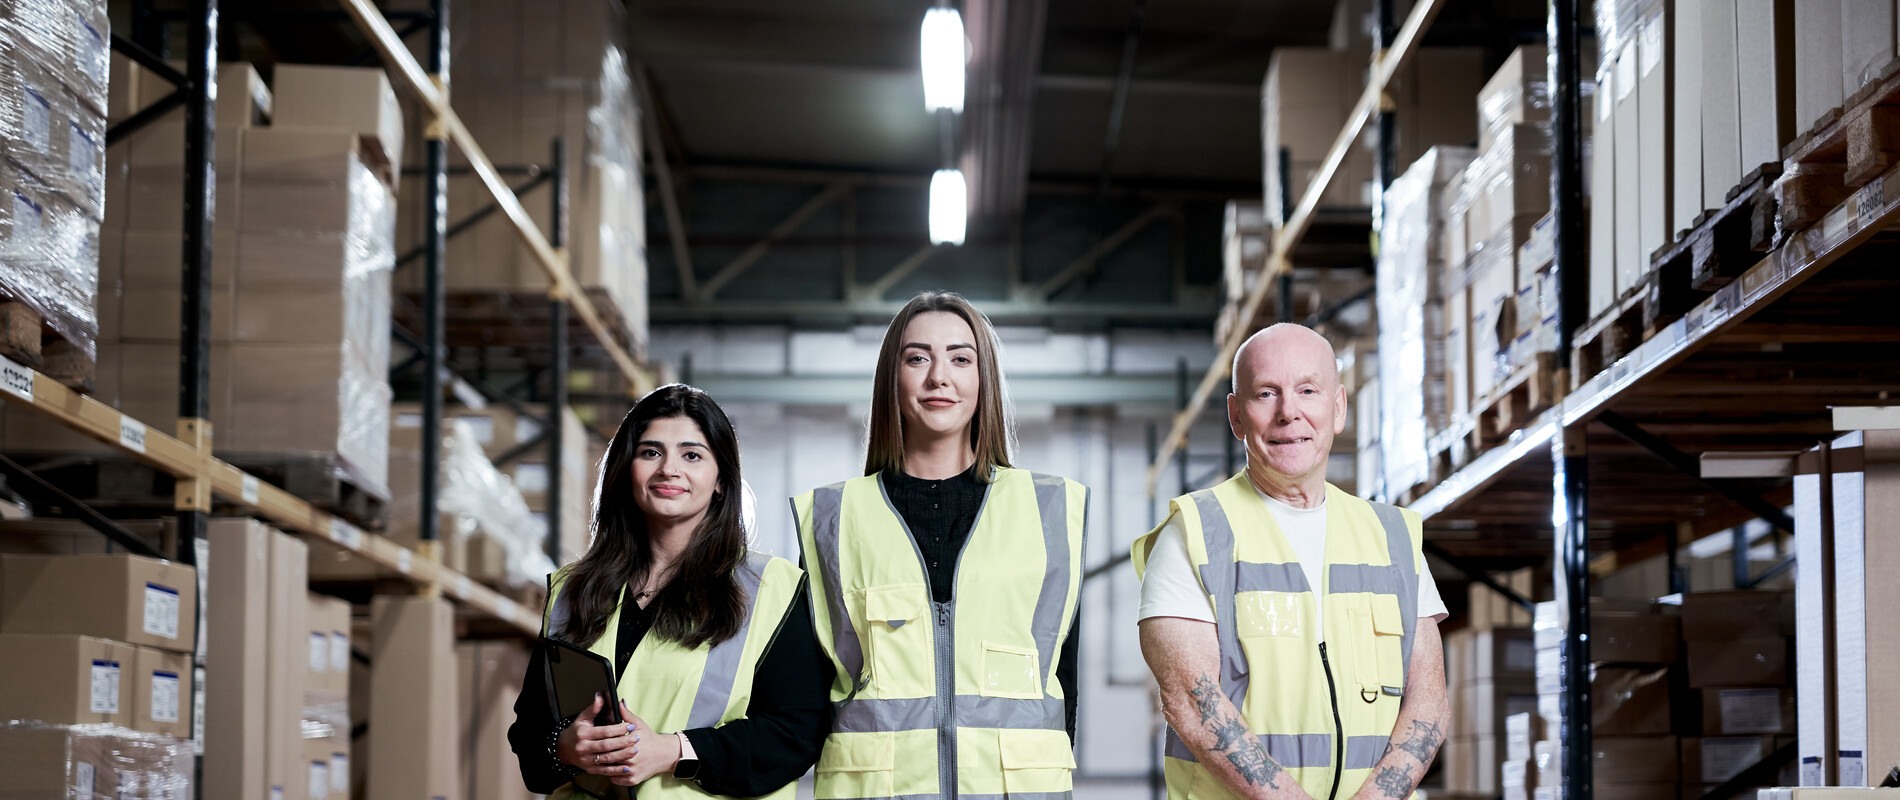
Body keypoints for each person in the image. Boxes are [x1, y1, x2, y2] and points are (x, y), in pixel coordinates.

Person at [1133, 323, 1449, 800]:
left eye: (1307, 390)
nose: (1289, 412)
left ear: (1338, 407)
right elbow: (1193, 704)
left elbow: (1429, 702)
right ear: (1236, 416)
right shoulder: (1195, 534)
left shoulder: (1393, 537)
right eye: (1266, 394)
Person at [793, 291, 1087, 800]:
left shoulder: (1050, 510)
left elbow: (1064, 685)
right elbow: (807, 695)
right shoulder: (833, 519)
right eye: (917, 358)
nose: (939, 377)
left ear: (983, 379)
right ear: (893, 378)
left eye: (960, 358)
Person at [509, 384, 832, 799]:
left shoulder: (772, 590)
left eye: (692, 455)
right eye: (650, 452)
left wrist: (674, 751)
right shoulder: (574, 589)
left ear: (720, 480)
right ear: (627, 470)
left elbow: (796, 734)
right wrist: (566, 746)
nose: (669, 469)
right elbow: (529, 734)